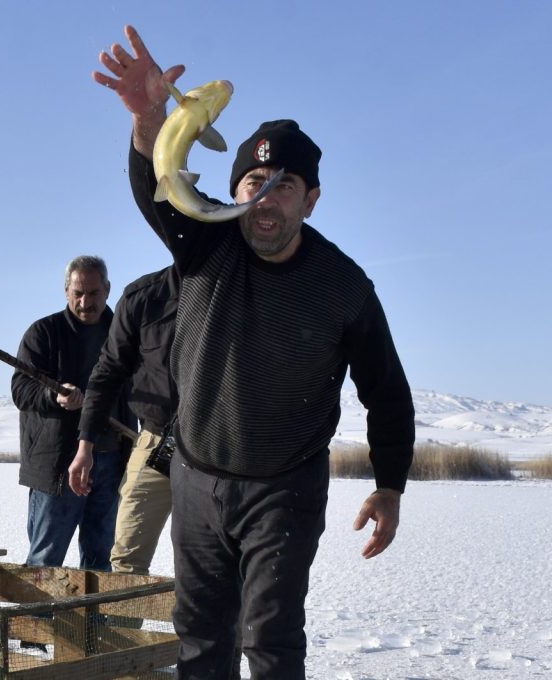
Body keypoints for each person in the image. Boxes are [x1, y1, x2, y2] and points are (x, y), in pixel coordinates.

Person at [94, 25, 416, 679]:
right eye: (255, 181)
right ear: (235, 188)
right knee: (200, 642)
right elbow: (151, 185)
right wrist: (148, 118)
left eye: (286, 184)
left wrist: (389, 485)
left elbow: (386, 391)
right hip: (197, 479)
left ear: (313, 199)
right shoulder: (205, 242)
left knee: (269, 641)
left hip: (285, 490)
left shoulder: (343, 286)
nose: (267, 198)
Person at [12, 255, 133, 570]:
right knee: (45, 559)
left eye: (93, 293)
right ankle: (34, 620)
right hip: (58, 466)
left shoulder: (124, 335)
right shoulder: (43, 333)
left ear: (107, 290)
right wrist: (54, 395)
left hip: (110, 462)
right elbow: (20, 390)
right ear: (66, 291)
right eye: (78, 293)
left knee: (100, 558)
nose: (85, 301)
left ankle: (93, 621)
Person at [68, 265, 177, 575]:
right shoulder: (144, 296)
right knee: (127, 558)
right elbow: (107, 374)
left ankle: (216, 625)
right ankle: (118, 625)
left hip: (218, 448)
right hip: (157, 441)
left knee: (211, 560)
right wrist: (85, 446)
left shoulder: (239, 288)